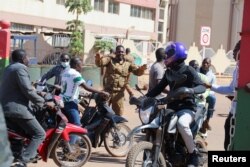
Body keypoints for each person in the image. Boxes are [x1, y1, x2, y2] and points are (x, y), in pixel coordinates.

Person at [146, 42, 206, 166]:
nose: (166, 56)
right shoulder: (168, 72)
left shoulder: (189, 70)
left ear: (176, 55)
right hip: (171, 108)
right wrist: (143, 98)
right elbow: (158, 89)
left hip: (187, 108)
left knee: (182, 123)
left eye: (169, 54)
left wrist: (190, 90)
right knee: (156, 124)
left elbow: (202, 87)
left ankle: (193, 153)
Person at [0, 49, 51, 166]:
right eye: (28, 58)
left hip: (6, 108)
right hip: (17, 109)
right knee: (39, 134)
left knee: (21, 135)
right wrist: (43, 102)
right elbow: (27, 90)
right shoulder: (20, 68)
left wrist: (39, 93)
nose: (29, 60)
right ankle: (23, 161)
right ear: (23, 59)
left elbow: (23, 87)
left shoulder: (9, 68)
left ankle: (16, 154)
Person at [205, 40, 240, 150]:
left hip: (241, 110)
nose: (234, 54)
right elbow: (231, 89)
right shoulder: (237, 68)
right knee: (228, 132)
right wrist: (211, 86)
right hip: (234, 109)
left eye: (236, 52)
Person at [61, 57, 109, 132]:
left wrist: (87, 94)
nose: (82, 67)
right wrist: (101, 92)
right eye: (81, 65)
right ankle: (72, 143)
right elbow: (86, 86)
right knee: (77, 126)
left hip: (62, 101)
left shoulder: (65, 72)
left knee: (70, 123)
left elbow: (72, 86)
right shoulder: (75, 74)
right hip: (70, 103)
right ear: (77, 65)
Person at [95, 45, 147, 116]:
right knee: (102, 113)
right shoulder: (110, 60)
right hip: (107, 92)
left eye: (122, 52)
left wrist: (142, 69)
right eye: (119, 51)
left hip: (119, 94)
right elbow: (100, 63)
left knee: (118, 115)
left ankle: (114, 127)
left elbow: (137, 72)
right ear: (115, 52)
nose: (120, 53)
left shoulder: (128, 64)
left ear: (125, 53)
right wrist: (98, 59)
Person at [199, 57, 217, 131]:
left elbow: (213, 88)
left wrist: (206, 93)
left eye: (207, 63)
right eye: (204, 62)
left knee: (213, 98)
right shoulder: (197, 71)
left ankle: (207, 121)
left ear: (210, 65)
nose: (205, 64)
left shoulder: (212, 75)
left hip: (206, 93)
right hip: (196, 92)